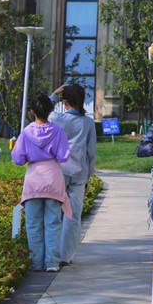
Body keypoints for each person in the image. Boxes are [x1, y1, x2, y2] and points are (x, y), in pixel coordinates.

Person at [11, 92, 71, 272]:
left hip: (33, 180)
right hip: (53, 178)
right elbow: (63, 155)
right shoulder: (58, 131)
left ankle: (36, 262)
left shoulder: (25, 133)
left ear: (32, 111)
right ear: (51, 110)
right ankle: (52, 263)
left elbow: (18, 158)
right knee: (53, 224)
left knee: (33, 224)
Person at [50, 82, 99, 266]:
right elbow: (91, 153)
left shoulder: (57, 118)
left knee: (55, 213)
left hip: (59, 172)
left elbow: (43, 109)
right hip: (79, 173)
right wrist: (88, 177)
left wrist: (54, 94)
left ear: (65, 102)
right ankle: (66, 256)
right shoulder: (87, 123)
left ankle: (52, 253)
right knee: (72, 216)